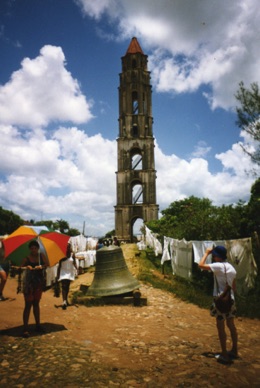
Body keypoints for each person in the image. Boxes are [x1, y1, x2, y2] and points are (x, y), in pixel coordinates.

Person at [199, 246, 238, 364]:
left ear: (218, 256)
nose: (213, 257)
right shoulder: (232, 268)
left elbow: (201, 265)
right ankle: (234, 350)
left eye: (214, 255)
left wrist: (206, 253)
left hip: (220, 300)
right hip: (230, 300)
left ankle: (224, 354)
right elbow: (234, 287)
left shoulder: (218, 266)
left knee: (220, 327)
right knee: (231, 325)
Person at [20, 240, 48, 338]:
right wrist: (27, 267)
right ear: (30, 249)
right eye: (32, 248)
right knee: (28, 304)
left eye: (35, 248)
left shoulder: (41, 256)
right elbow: (20, 268)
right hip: (28, 284)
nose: (33, 250)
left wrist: (42, 266)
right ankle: (25, 328)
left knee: (36, 303)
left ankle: (38, 325)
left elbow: (47, 265)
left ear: (38, 248)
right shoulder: (26, 258)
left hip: (38, 283)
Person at [57, 243, 78, 310]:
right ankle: (64, 301)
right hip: (63, 272)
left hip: (70, 272)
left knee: (67, 286)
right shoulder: (61, 255)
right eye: (66, 247)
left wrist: (77, 269)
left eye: (68, 247)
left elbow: (74, 262)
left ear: (70, 247)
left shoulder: (72, 255)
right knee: (64, 286)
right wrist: (58, 274)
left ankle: (66, 300)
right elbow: (59, 265)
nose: (67, 248)